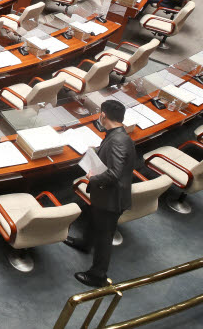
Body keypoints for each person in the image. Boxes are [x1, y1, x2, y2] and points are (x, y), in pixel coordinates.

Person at [65, 99, 136, 287]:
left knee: (105, 237)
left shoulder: (118, 141)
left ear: (103, 115)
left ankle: (98, 275)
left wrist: (92, 178)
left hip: (111, 199)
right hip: (104, 195)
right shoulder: (117, 135)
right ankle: (85, 243)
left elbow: (114, 173)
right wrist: (97, 150)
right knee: (91, 214)